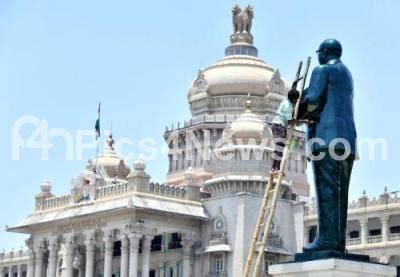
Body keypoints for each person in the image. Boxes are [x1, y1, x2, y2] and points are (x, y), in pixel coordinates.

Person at [299, 39, 357, 252]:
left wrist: (299, 102)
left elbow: (313, 101)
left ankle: (326, 240)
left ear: (324, 52)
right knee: (340, 193)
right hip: (347, 141)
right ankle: (338, 241)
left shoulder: (321, 70)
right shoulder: (346, 74)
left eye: (318, 53)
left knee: (326, 192)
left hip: (325, 139)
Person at [270, 89, 300, 173]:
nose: (296, 100)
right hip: (280, 126)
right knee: (280, 148)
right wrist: (299, 121)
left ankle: (273, 168)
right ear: (292, 98)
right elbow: (290, 121)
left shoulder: (285, 101)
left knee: (277, 147)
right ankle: (277, 168)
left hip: (275, 125)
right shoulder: (288, 106)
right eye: (295, 99)